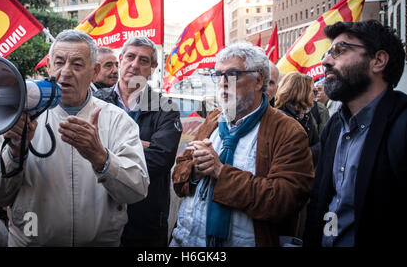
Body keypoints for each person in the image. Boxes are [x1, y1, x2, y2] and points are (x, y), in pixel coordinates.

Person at [0, 30, 149, 246]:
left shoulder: (118, 120)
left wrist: (101, 158)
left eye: (78, 65)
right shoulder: (20, 117)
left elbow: (137, 190)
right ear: (49, 67)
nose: (66, 72)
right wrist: (14, 154)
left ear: (94, 71)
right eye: (59, 62)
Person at [170, 42, 314, 247]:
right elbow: (179, 176)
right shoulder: (213, 119)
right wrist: (195, 171)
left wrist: (220, 171)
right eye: (218, 75)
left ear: (258, 81)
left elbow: (286, 200)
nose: (222, 83)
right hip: (185, 241)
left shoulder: (288, 131)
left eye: (233, 74)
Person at [303, 20, 407, 247]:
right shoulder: (334, 126)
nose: (325, 61)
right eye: (328, 52)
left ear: (378, 61)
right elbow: (321, 201)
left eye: (340, 50)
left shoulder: (401, 125)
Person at [94, 36, 182, 247]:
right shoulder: (96, 100)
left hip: (144, 219)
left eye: (143, 60)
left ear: (153, 68)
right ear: (121, 59)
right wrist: (137, 146)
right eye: (130, 57)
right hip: (98, 213)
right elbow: (80, 153)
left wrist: (101, 152)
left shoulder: (166, 108)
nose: (135, 65)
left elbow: (160, 160)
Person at [275, 72, 320, 148]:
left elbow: (315, 143)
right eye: (314, 91)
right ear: (302, 93)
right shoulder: (281, 119)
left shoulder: (305, 115)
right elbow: (294, 154)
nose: (316, 95)